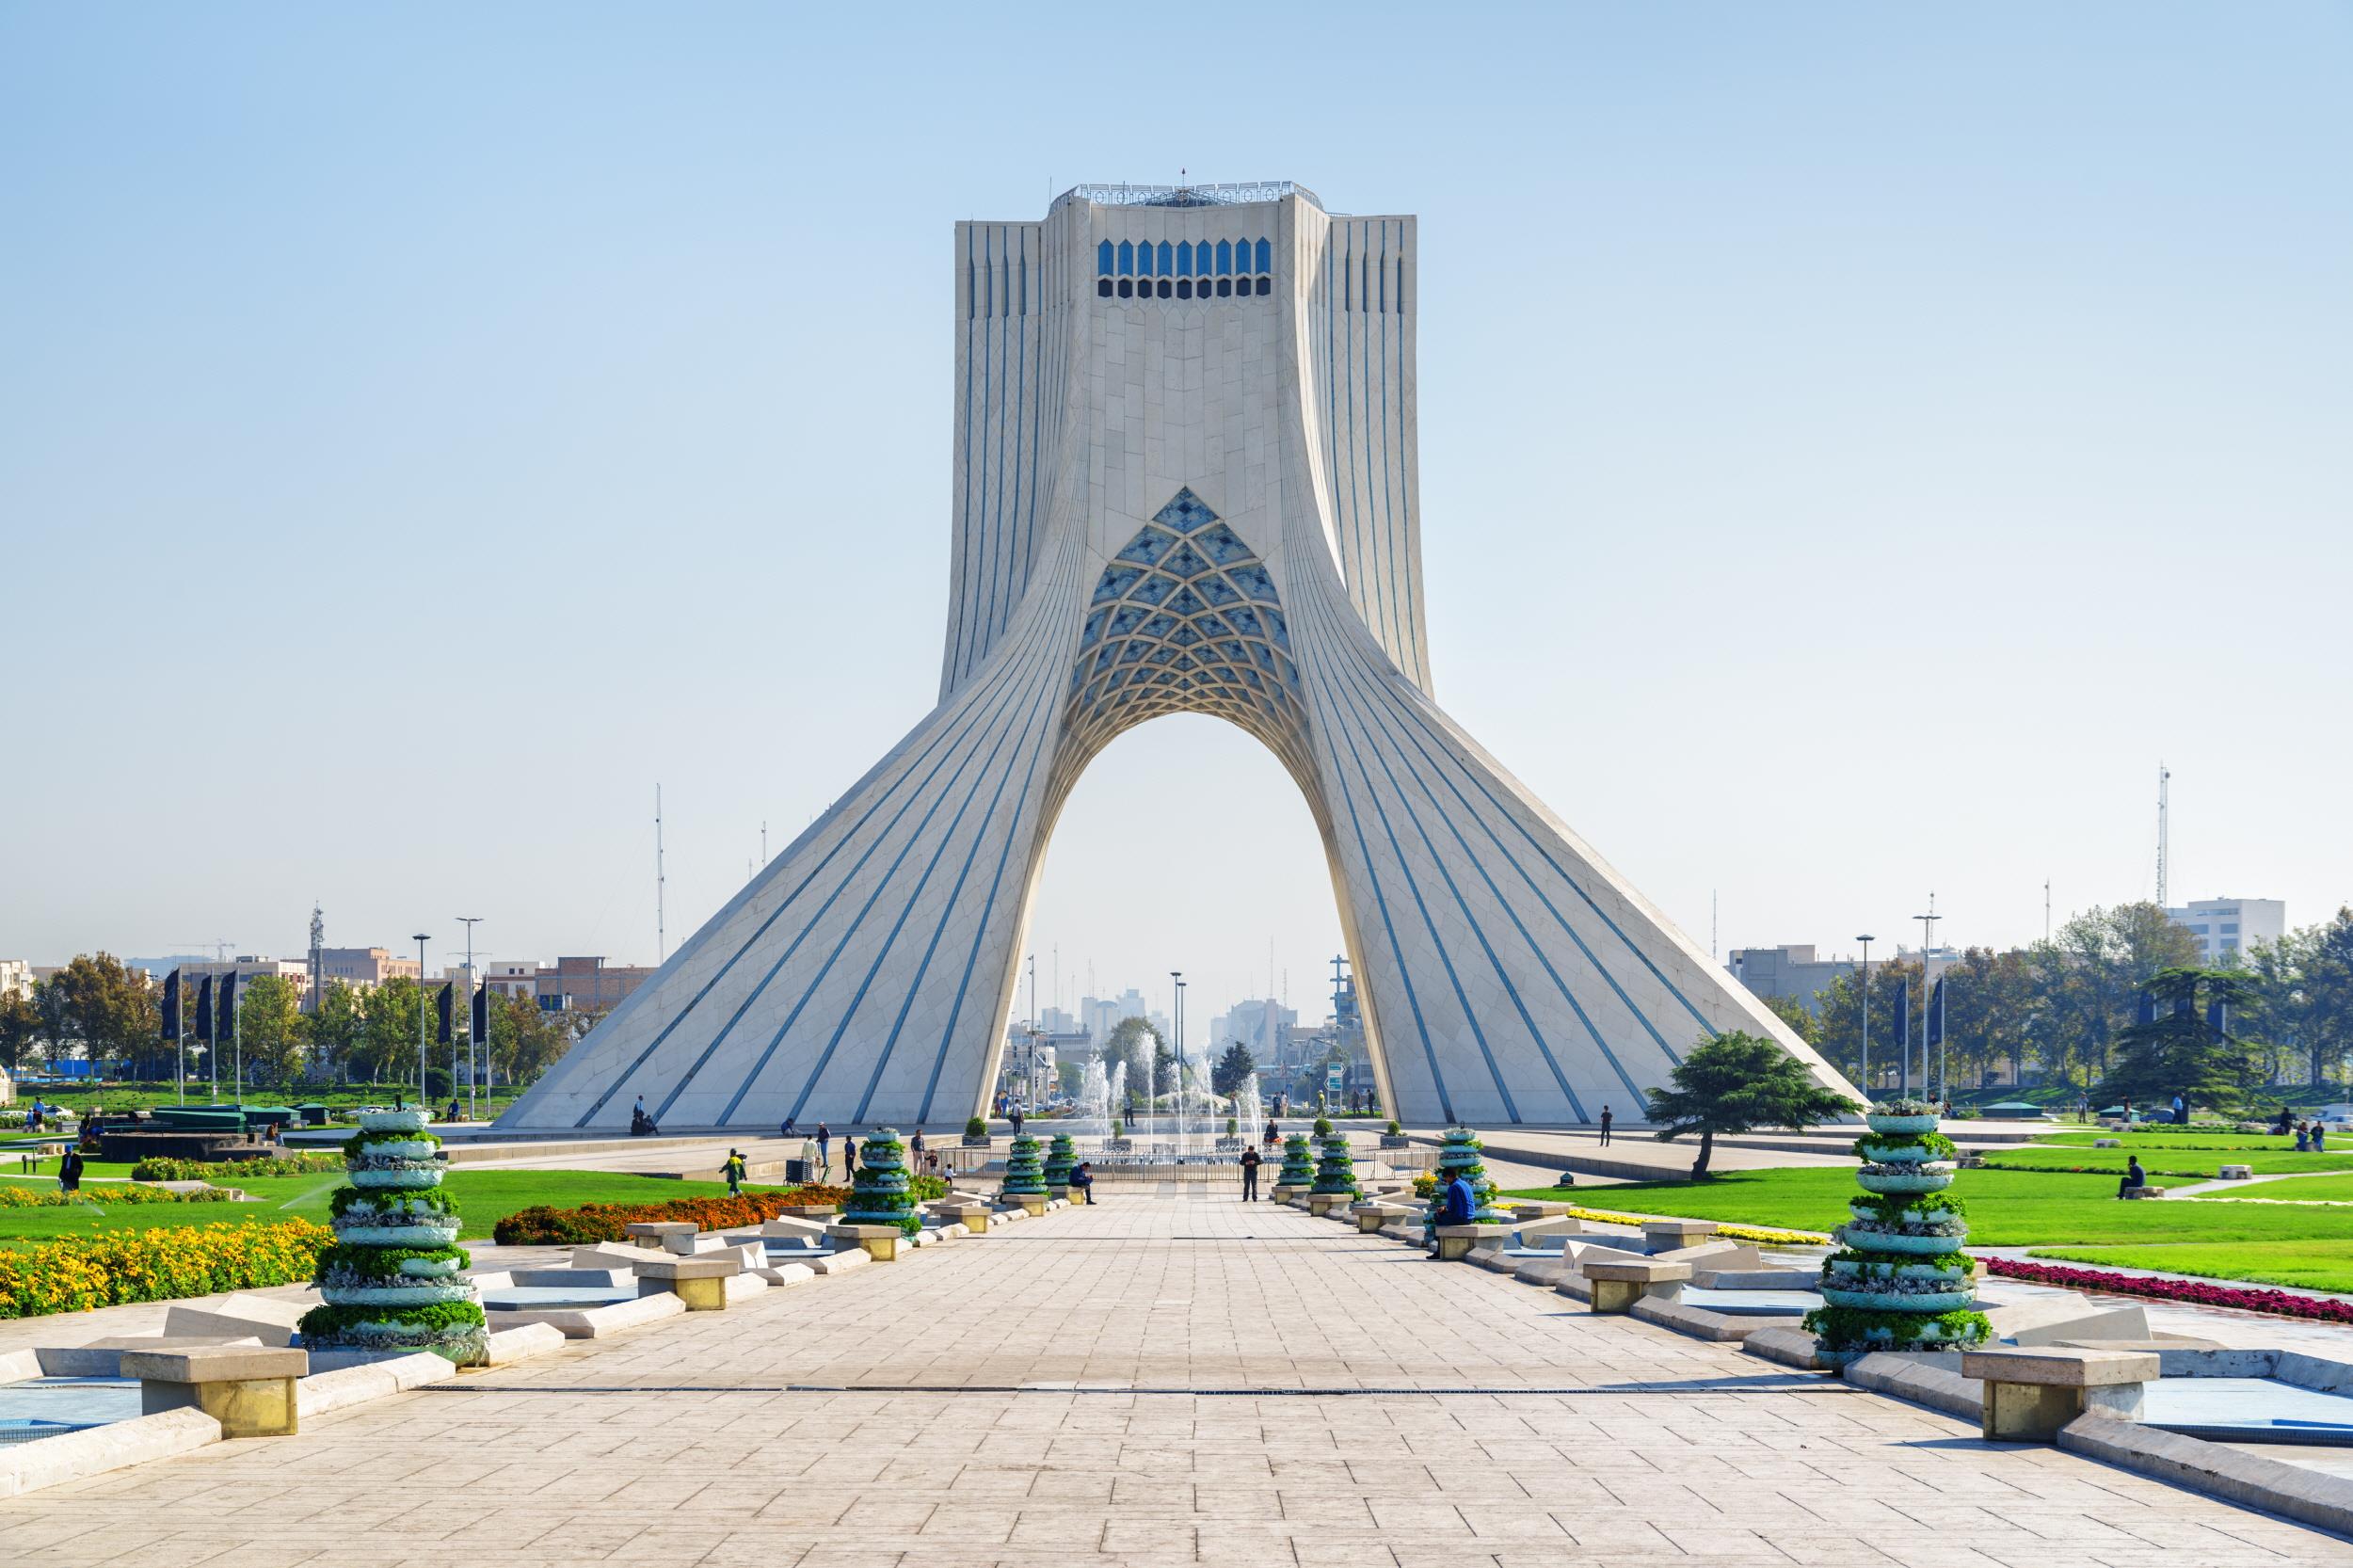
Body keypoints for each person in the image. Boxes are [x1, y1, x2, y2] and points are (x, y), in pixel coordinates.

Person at [1429, 1164, 1475, 1256]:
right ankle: (1439, 1245)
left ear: (1449, 1176)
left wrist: (1443, 1209)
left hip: (1461, 1218)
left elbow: (1452, 1208)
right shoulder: (1464, 1183)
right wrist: (1445, 1208)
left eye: (1445, 1178)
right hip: (1470, 1217)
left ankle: (1439, 1248)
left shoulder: (1453, 1187)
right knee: (1442, 1216)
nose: (1446, 1181)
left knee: (1437, 1216)